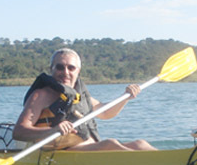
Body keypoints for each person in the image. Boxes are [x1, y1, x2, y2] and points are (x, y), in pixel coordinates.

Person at [13, 48, 156, 152]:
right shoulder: (40, 95)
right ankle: (156, 164)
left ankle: (172, 161)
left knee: (140, 144)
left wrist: (126, 97)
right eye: (60, 67)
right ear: (51, 69)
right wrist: (52, 130)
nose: (66, 72)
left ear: (78, 71)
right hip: (60, 152)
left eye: (71, 68)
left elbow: (105, 113)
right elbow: (19, 131)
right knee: (110, 144)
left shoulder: (78, 96)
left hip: (87, 147)